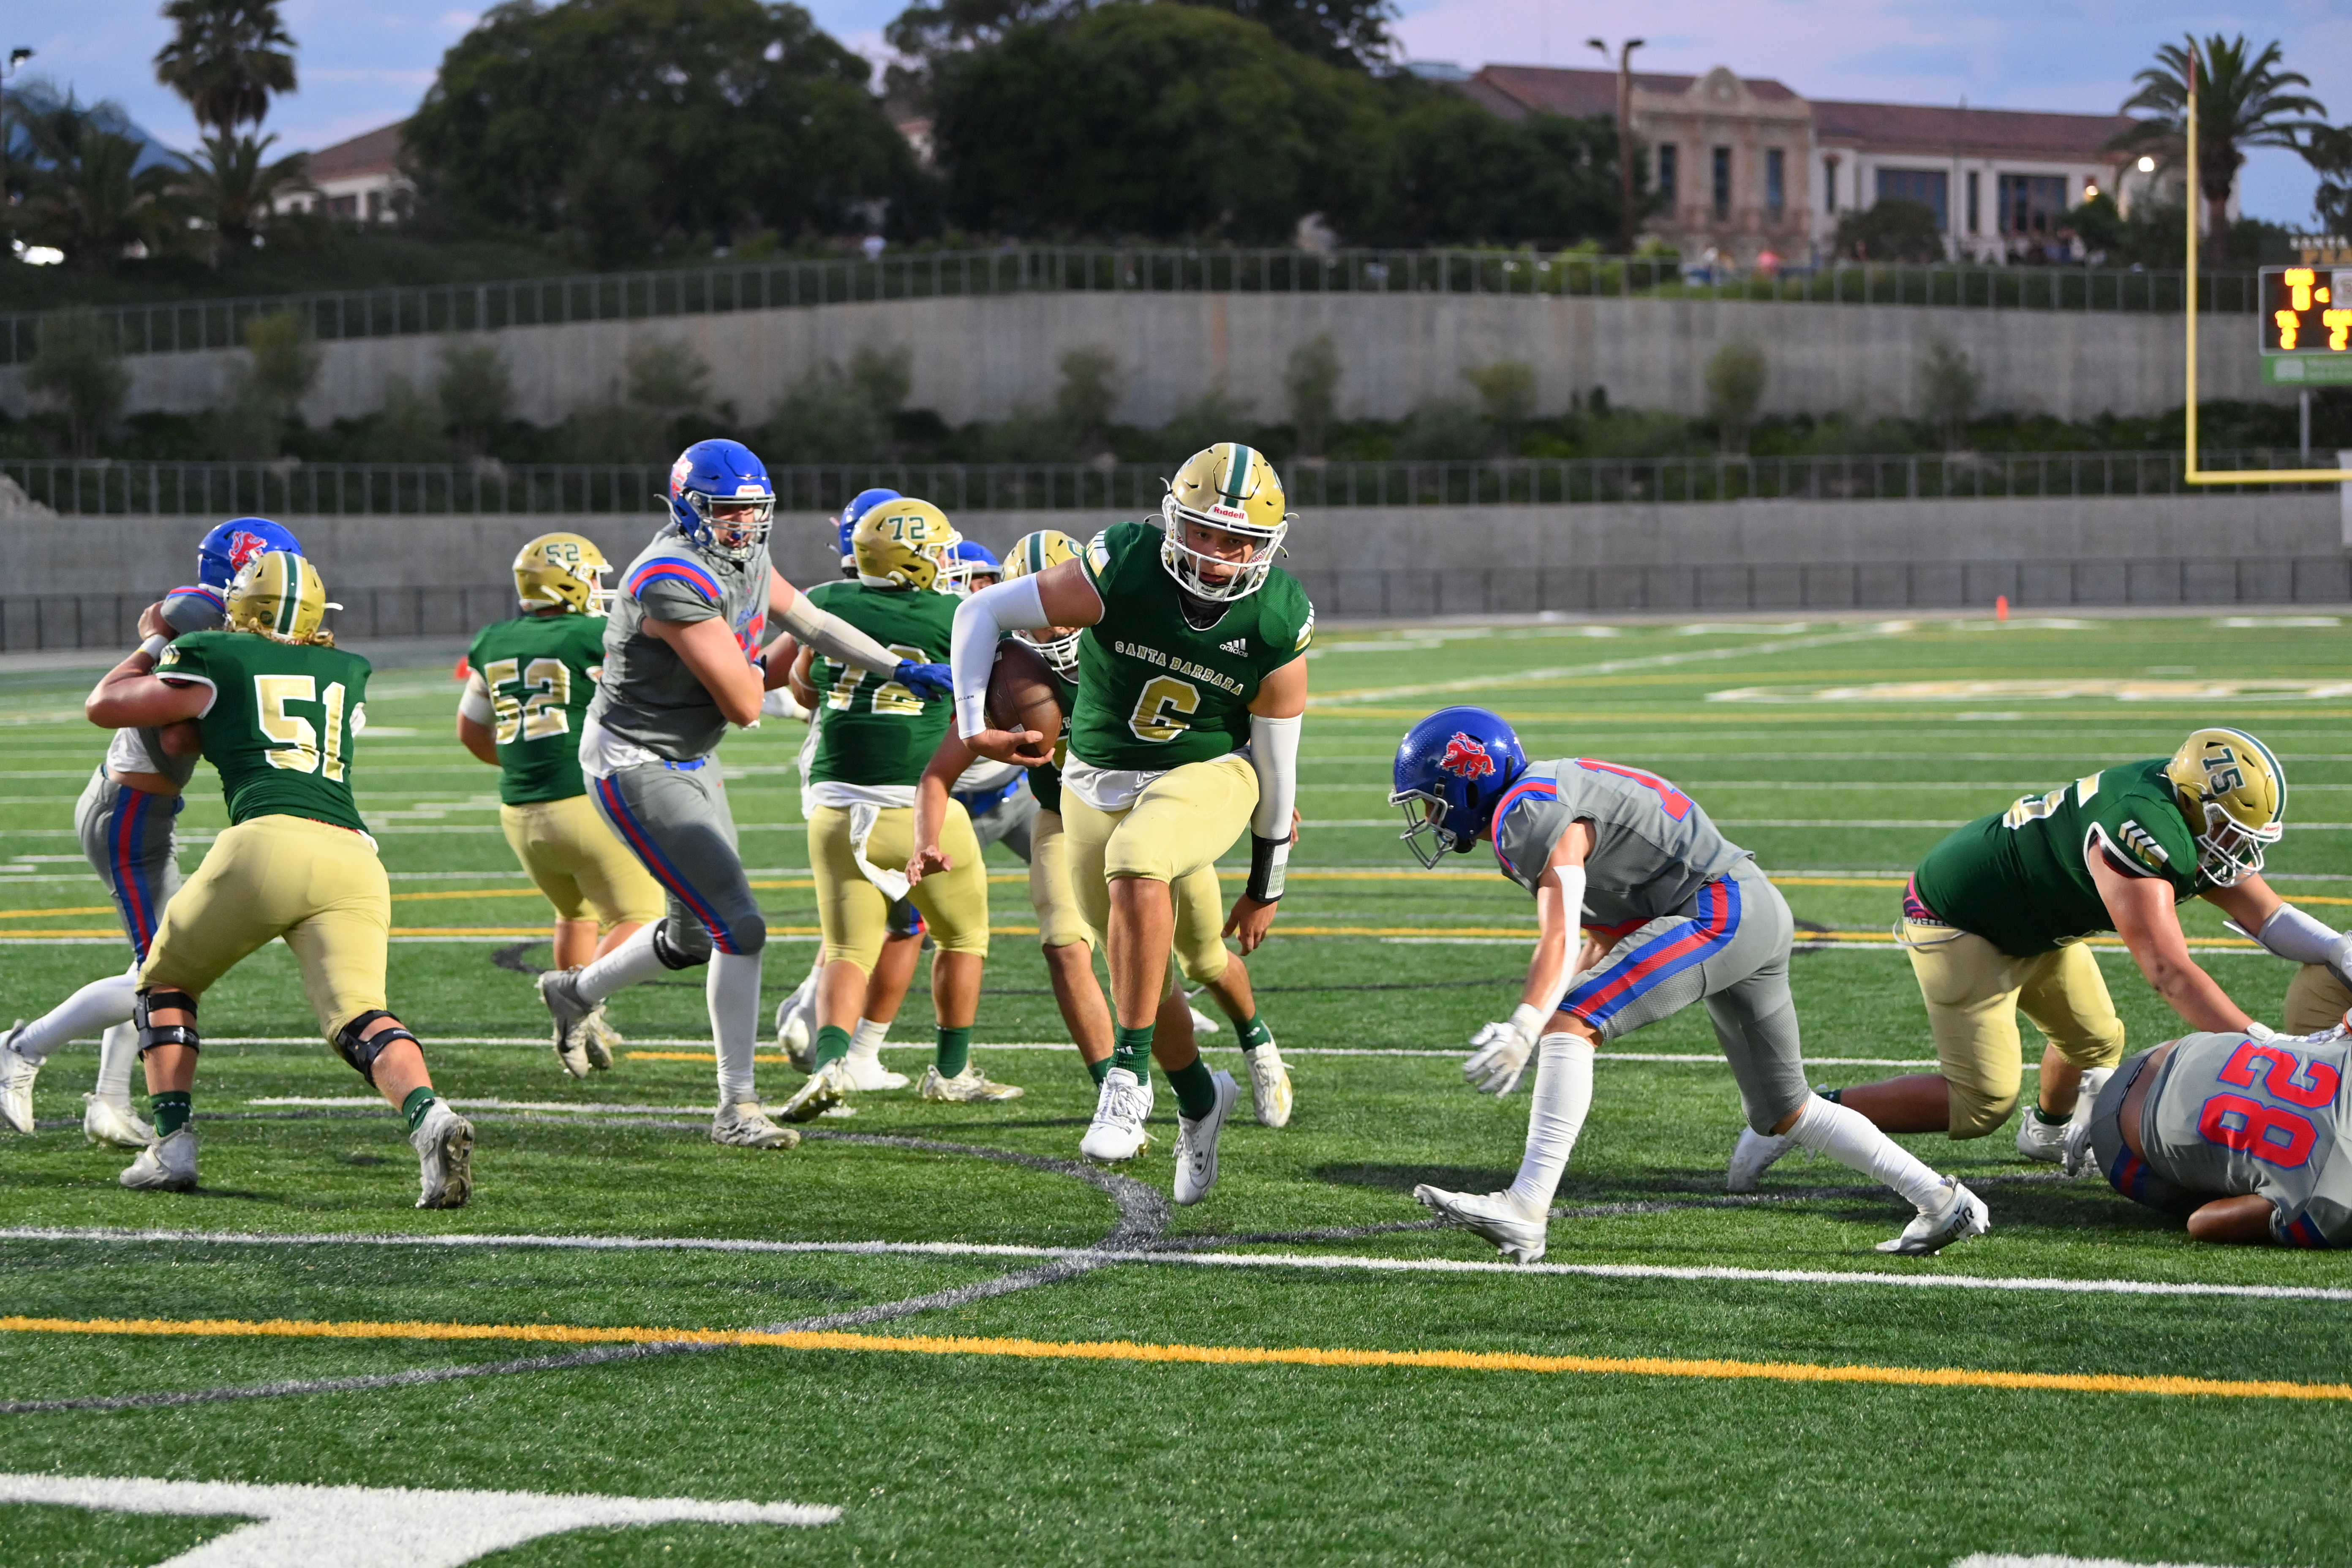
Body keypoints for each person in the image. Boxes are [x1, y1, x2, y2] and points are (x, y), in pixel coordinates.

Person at [1391, 707, 1987, 1263]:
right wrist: (1534, 1015)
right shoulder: (1545, 793)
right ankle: (1940, 1199)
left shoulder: (1526, 812)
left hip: (1721, 909)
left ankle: (1526, 1206)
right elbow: (1601, 937)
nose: (1430, 820)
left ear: (1468, 780)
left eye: (1433, 803)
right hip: (1749, 907)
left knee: (1570, 1020)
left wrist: (1530, 1022)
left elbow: (1559, 935)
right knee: (1787, 1111)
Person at [534, 440, 954, 1150]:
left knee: (696, 935)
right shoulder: (668, 575)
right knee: (740, 926)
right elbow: (742, 702)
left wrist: (891, 667)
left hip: (688, 758)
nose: (742, 526)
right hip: (635, 762)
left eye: (752, 512)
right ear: (686, 508)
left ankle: (574, 992)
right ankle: (736, 1105)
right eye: (726, 513)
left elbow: (810, 621)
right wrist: (795, 679)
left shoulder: (744, 556)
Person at [950, 444, 1307, 1203]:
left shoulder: (1277, 617)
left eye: (1238, 540)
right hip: (1091, 781)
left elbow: (1278, 766)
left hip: (1207, 772)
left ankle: (1125, 1075)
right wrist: (969, 720)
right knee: (1140, 975)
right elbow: (980, 609)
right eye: (1206, 533)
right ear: (1175, 521)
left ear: (1267, 546)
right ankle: (1200, 1100)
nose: (1218, 556)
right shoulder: (1123, 566)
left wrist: (1264, 882)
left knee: (1143, 862)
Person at [1743, 728, 2333, 1184]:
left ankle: (2047, 1134)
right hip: (1964, 922)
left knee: (2096, 1040)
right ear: (2192, 802)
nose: (2240, 850)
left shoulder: (2176, 808)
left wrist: (2339, 949)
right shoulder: (2143, 829)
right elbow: (2169, 974)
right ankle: (1802, 1115)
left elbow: (2270, 916)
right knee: (1980, 1104)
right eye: (2231, 831)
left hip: (2033, 919)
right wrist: (2268, 1045)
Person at [77, 551, 475, 1206]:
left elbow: (109, 707)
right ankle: (429, 1119)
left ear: (240, 607)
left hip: (266, 845)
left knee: (165, 981)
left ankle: (171, 1147)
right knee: (360, 1015)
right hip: (354, 856)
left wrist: (154, 641)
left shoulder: (214, 654)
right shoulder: (349, 667)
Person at [913, 528, 1291, 1127]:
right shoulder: (1013, 679)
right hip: (1066, 818)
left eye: (1065, 618)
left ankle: (1258, 1042)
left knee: (1203, 958)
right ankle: (1113, 1094)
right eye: (1044, 622)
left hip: (1160, 811)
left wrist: (1264, 793)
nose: (1059, 631)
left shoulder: (1133, 648)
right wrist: (926, 838)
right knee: (1070, 948)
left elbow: (1232, 723)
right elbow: (940, 770)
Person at [0, 518, 302, 1147]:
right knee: (159, 975)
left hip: (141, 812)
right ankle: (19, 1050)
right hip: (128, 816)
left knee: (155, 958)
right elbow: (175, 730)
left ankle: (109, 1101)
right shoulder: (202, 617)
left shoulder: (210, 619)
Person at [782, 498, 1018, 1114]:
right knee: (963, 936)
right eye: (938, 552)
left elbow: (802, 686)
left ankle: (832, 1066)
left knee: (845, 951)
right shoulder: (957, 614)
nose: (947, 563)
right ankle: (950, 1070)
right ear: (913, 561)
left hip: (833, 806)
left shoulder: (828, 601)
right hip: (917, 807)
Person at [457, 533, 665, 1078]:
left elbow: (471, 733)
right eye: (592, 577)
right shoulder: (594, 633)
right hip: (585, 803)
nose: (599, 588)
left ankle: (582, 1016)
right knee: (643, 917)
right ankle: (577, 998)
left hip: (521, 812)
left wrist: (528, 764)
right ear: (569, 580)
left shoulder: (493, 639)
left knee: (576, 912)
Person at [773, 486, 929, 1085]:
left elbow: (793, 680)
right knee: (903, 922)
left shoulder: (828, 600)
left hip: (829, 776)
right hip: (893, 787)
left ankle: (811, 1012)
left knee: (853, 921)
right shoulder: (939, 607)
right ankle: (850, 1052)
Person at [2066, 1020, 2352, 1247]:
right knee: (2234, 1196)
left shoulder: (2335, 1201)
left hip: (2171, 1053)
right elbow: (2203, 1223)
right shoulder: (2333, 1206)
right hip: (2119, 1143)